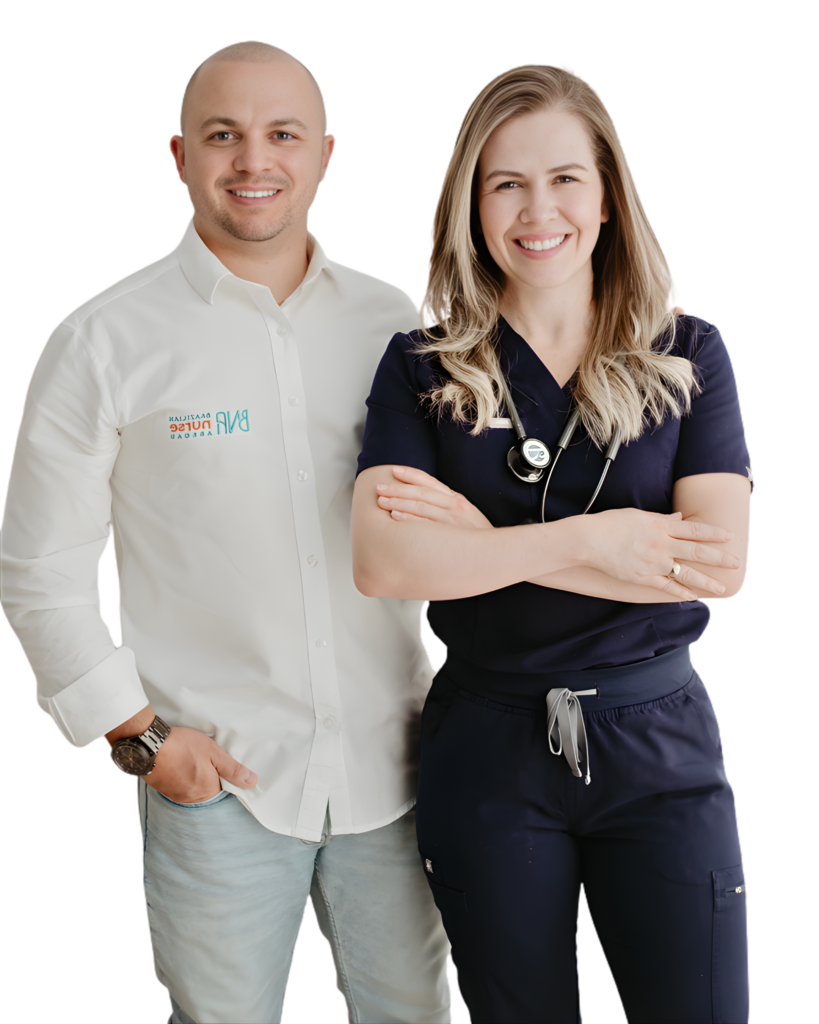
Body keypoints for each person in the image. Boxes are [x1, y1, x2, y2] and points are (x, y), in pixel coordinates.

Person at [0, 41, 454, 1024]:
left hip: (400, 767)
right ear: (179, 157)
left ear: (325, 156)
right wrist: (142, 737)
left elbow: (476, 502)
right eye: (222, 135)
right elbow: (41, 576)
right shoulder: (101, 341)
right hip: (218, 783)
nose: (254, 160)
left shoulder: (398, 321)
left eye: (283, 134)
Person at [351, 63, 750, 1023]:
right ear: (471, 206)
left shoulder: (687, 353)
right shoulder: (422, 368)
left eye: (565, 178)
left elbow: (716, 565)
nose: (539, 211)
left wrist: (485, 545)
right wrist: (603, 542)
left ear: (607, 196)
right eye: (506, 184)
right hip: (487, 747)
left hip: (656, 742)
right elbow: (386, 563)